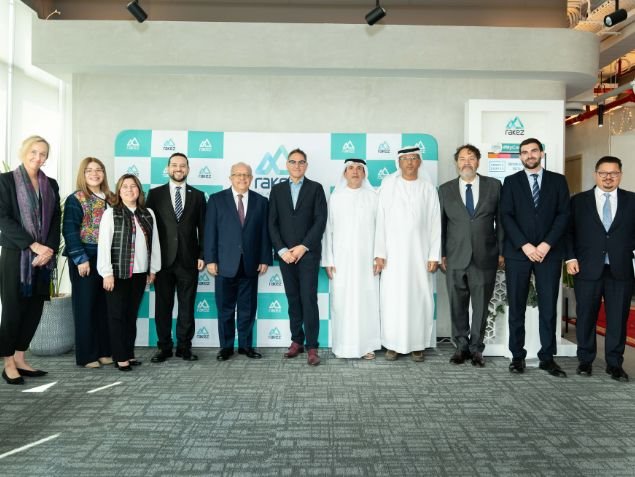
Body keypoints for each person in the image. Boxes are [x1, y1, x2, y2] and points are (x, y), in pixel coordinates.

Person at [500, 137, 570, 377]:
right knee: (516, 307)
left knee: (549, 308)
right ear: (520, 156)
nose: (529, 155)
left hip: (549, 253)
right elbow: (506, 216)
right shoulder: (510, 182)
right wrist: (525, 245)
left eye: (533, 151)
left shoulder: (558, 181)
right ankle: (517, 357)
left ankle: (547, 358)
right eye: (524, 152)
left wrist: (546, 244)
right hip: (518, 254)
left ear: (541, 153)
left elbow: (563, 215)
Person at [566, 156, 635, 382]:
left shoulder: (632, 201)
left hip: (621, 269)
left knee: (617, 319)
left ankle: (614, 364)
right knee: (586, 316)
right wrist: (570, 258)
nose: (608, 177)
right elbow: (568, 232)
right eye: (603, 173)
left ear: (620, 175)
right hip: (586, 268)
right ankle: (585, 361)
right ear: (595, 175)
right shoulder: (578, 201)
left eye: (613, 173)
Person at [0, 136, 61, 385]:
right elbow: (3, 219)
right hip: (16, 255)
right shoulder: (5, 181)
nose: (38, 157)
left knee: (34, 309)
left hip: (43, 258)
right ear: (23, 151)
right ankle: (8, 363)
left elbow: (56, 219)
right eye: (34, 152)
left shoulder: (51, 184)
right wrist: (33, 245)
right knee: (13, 310)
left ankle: (20, 358)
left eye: (43, 153)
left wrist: (49, 250)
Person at [374, 146, 441, 362]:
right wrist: (379, 253)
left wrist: (434, 255)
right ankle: (392, 344)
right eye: (405, 159)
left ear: (419, 162)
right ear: (399, 162)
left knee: (419, 298)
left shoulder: (428, 189)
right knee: (393, 298)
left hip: (420, 256)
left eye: (413, 158)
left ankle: (417, 345)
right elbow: (380, 221)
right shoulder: (388, 186)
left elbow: (435, 223)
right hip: (393, 257)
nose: (410, 162)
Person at [439, 144, 503, 367]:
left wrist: (502, 251)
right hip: (455, 256)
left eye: (471, 158)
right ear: (456, 162)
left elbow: (501, 222)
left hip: (485, 256)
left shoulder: (494, 186)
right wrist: (442, 253)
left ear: (478, 161)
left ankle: (476, 349)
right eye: (462, 158)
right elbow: (441, 225)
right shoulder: (445, 189)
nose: (467, 162)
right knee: (457, 304)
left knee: (481, 306)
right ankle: (461, 347)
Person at [205, 162, 272, 361]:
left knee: (247, 309)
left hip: (250, 264)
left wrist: (264, 258)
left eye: (246, 175)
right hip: (224, 264)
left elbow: (265, 233)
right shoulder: (216, 200)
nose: (242, 178)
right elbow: (210, 231)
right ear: (231, 177)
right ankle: (226, 347)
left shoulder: (261, 201)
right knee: (225, 309)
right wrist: (210, 259)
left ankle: (245, 346)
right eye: (238, 174)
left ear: (251, 178)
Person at [268, 148, 327, 366]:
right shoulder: (277, 190)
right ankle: (297, 341)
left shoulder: (316, 188)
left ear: (306, 165)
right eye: (293, 162)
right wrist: (282, 250)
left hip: (308, 254)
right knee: (293, 298)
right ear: (287, 165)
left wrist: (303, 247)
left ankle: (312, 346)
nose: (297, 165)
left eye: (301, 162)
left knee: (308, 299)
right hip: (286, 256)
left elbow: (320, 220)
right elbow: (272, 223)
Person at [146, 153, 206, 363]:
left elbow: (203, 228)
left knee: (187, 306)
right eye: (174, 165)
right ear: (168, 168)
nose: (178, 169)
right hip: (162, 261)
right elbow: (148, 229)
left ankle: (184, 347)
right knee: (163, 307)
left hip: (189, 260)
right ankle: (164, 347)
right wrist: (149, 261)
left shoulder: (198, 196)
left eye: (182, 165)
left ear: (188, 169)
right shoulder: (155, 194)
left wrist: (202, 254)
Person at [97, 174, 161, 372]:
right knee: (117, 316)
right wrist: (106, 273)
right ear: (119, 190)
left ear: (139, 190)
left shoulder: (148, 213)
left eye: (133, 186)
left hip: (140, 273)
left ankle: (129, 353)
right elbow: (104, 245)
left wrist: (153, 269)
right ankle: (120, 357)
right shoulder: (111, 213)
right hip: (117, 274)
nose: (129, 190)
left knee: (131, 315)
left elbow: (155, 243)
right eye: (125, 186)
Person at [322, 158, 381, 359]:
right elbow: (327, 231)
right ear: (344, 173)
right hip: (341, 262)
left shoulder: (373, 197)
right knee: (342, 303)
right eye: (350, 168)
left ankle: (367, 346)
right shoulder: (336, 197)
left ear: (364, 173)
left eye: (359, 168)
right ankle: (343, 346)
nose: (355, 171)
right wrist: (328, 260)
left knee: (367, 303)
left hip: (367, 261)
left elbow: (381, 229)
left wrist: (379, 256)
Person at [63, 157, 115, 369]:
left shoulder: (112, 198)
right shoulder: (76, 198)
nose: (94, 174)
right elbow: (69, 229)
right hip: (85, 259)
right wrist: (80, 259)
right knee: (85, 307)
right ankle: (86, 355)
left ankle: (104, 351)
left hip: (107, 261)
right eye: (89, 170)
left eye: (98, 170)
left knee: (104, 307)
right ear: (83, 174)